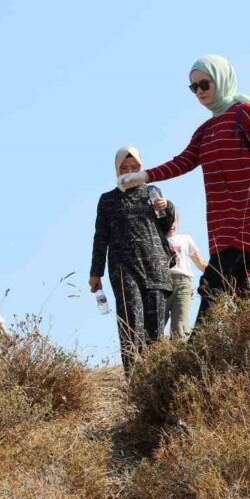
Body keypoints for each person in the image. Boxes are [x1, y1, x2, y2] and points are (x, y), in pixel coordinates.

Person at [119, 55, 250, 325]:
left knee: (211, 284)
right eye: (193, 88)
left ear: (221, 79)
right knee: (239, 290)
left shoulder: (246, 113)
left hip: (244, 215)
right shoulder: (205, 131)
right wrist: (143, 176)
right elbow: (182, 162)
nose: (200, 92)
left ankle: (196, 352)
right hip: (218, 222)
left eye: (204, 84)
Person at [91, 146, 176, 374]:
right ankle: (133, 378)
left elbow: (167, 227)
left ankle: (155, 380)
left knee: (155, 328)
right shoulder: (108, 200)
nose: (129, 172)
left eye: (134, 168)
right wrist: (95, 273)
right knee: (130, 320)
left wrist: (167, 208)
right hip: (123, 267)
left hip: (155, 266)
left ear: (141, 168)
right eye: (124, 168)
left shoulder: (153, 192)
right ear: (117, 170)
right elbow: (101, 237)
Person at [165, 211, 208, 340]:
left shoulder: (185, 239)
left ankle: (180, 356)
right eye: (169, 220)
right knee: (157, 322)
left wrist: (215, 275)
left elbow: (199, 262)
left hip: (183, 282)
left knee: (180, 323)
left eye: (174, 220)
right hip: (163, 284)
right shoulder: (158, 241)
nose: (172, 224)